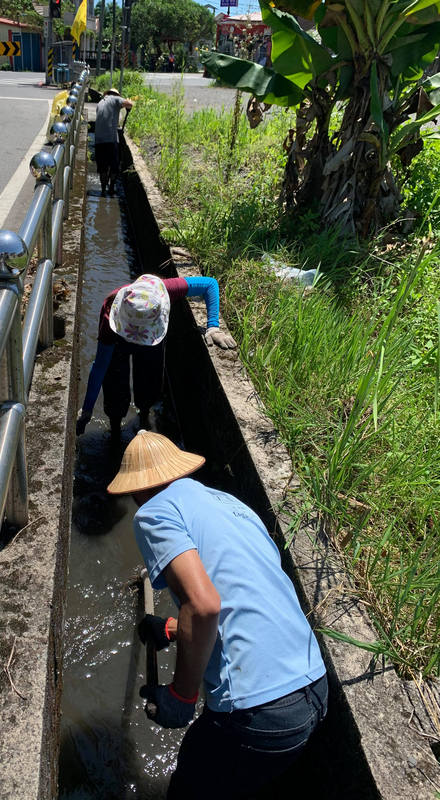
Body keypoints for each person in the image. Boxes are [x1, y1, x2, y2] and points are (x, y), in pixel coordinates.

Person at [107, 430, 328, 799]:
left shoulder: (153, 513)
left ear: (135, 490)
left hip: (258, 714)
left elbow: (205, 605)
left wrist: (181, 696)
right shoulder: (231, 504)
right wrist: (176, 629)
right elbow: (247, 597)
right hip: (314, 691)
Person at [75, 273, 235, 436]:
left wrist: (213, 326)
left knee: (149, 380)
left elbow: (210, 284)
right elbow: (101, 366)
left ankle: (144, 414)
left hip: (151, 337)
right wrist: (87, 410)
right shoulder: (111, 314)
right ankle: (115, 429)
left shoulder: (165, 291)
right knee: (114, 383)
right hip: (120, 338)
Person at [94, 87, 133, 197]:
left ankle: (102, 190)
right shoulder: (115, 99)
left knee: (102, 167)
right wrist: (128, 106)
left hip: (98, 140)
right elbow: (129, 104)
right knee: (114, 165)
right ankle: (111, 188)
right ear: (116, 95)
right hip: (110, 140)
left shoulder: (101, 102)